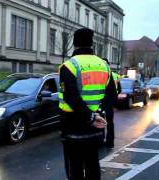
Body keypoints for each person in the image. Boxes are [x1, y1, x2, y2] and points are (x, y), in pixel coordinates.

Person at [58, 28, 116, 180]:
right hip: (95, 128)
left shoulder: (69, 66)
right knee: (93, 164)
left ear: (75, 45)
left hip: (73, 127)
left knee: (75, 168)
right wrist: (98, 113)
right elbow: (111, 95)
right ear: (92, 45)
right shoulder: (104, 66)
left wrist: (90, 116)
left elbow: (71, 97)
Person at [102, 58, 120, 148]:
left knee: (101, 121)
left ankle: (102, 140)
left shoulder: (102, 73)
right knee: (109, 122)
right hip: (110, 101)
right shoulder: (114, 75)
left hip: (103, 101)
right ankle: (110, 142)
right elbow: (118, 89)